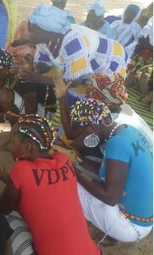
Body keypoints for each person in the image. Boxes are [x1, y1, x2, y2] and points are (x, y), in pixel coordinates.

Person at [0, 115, 105, 255]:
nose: (9, 146)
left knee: (0, 219)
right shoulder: (63, 161)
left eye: (11, 142)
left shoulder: (21, 169)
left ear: (27, 146)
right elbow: (33, 191)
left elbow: (4, 207)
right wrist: (5, 176)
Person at [61, 96, 153, 243]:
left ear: (92, 127)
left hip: (131, 226)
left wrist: (73, 170)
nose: (82, 135)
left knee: (67, 181)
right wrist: (78, 160)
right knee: (88, 163)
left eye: (82, 131)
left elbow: (110, 198)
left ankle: (75, 234)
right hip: (145, 219)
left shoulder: (116, 144)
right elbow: (112, 171)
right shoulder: (127, 131)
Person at [12, 4, 128, 106]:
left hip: (110, 62)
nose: (30, 33)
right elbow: (44, 64)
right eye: (30, 28)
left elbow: (75, 81)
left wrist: (38, 79)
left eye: (33, 30)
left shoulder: (72, 42)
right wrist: (33, 72)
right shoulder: (45, 40)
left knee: (95, 101)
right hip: (87, 64)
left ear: (49, 32)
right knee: (72, 98)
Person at [0, 49, 57, 124]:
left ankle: (18, 125)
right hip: (31, 110)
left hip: (45, 114)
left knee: (4, 95)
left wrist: (1, 115)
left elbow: (31, 113)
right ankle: (13, 122)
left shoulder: (23, 78)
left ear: (5, 70)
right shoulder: (5, 75)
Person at [85, 72, 153, 146]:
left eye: (89, 94)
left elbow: (86, 144)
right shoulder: (123, 107)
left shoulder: (110, 122)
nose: (87, 98)